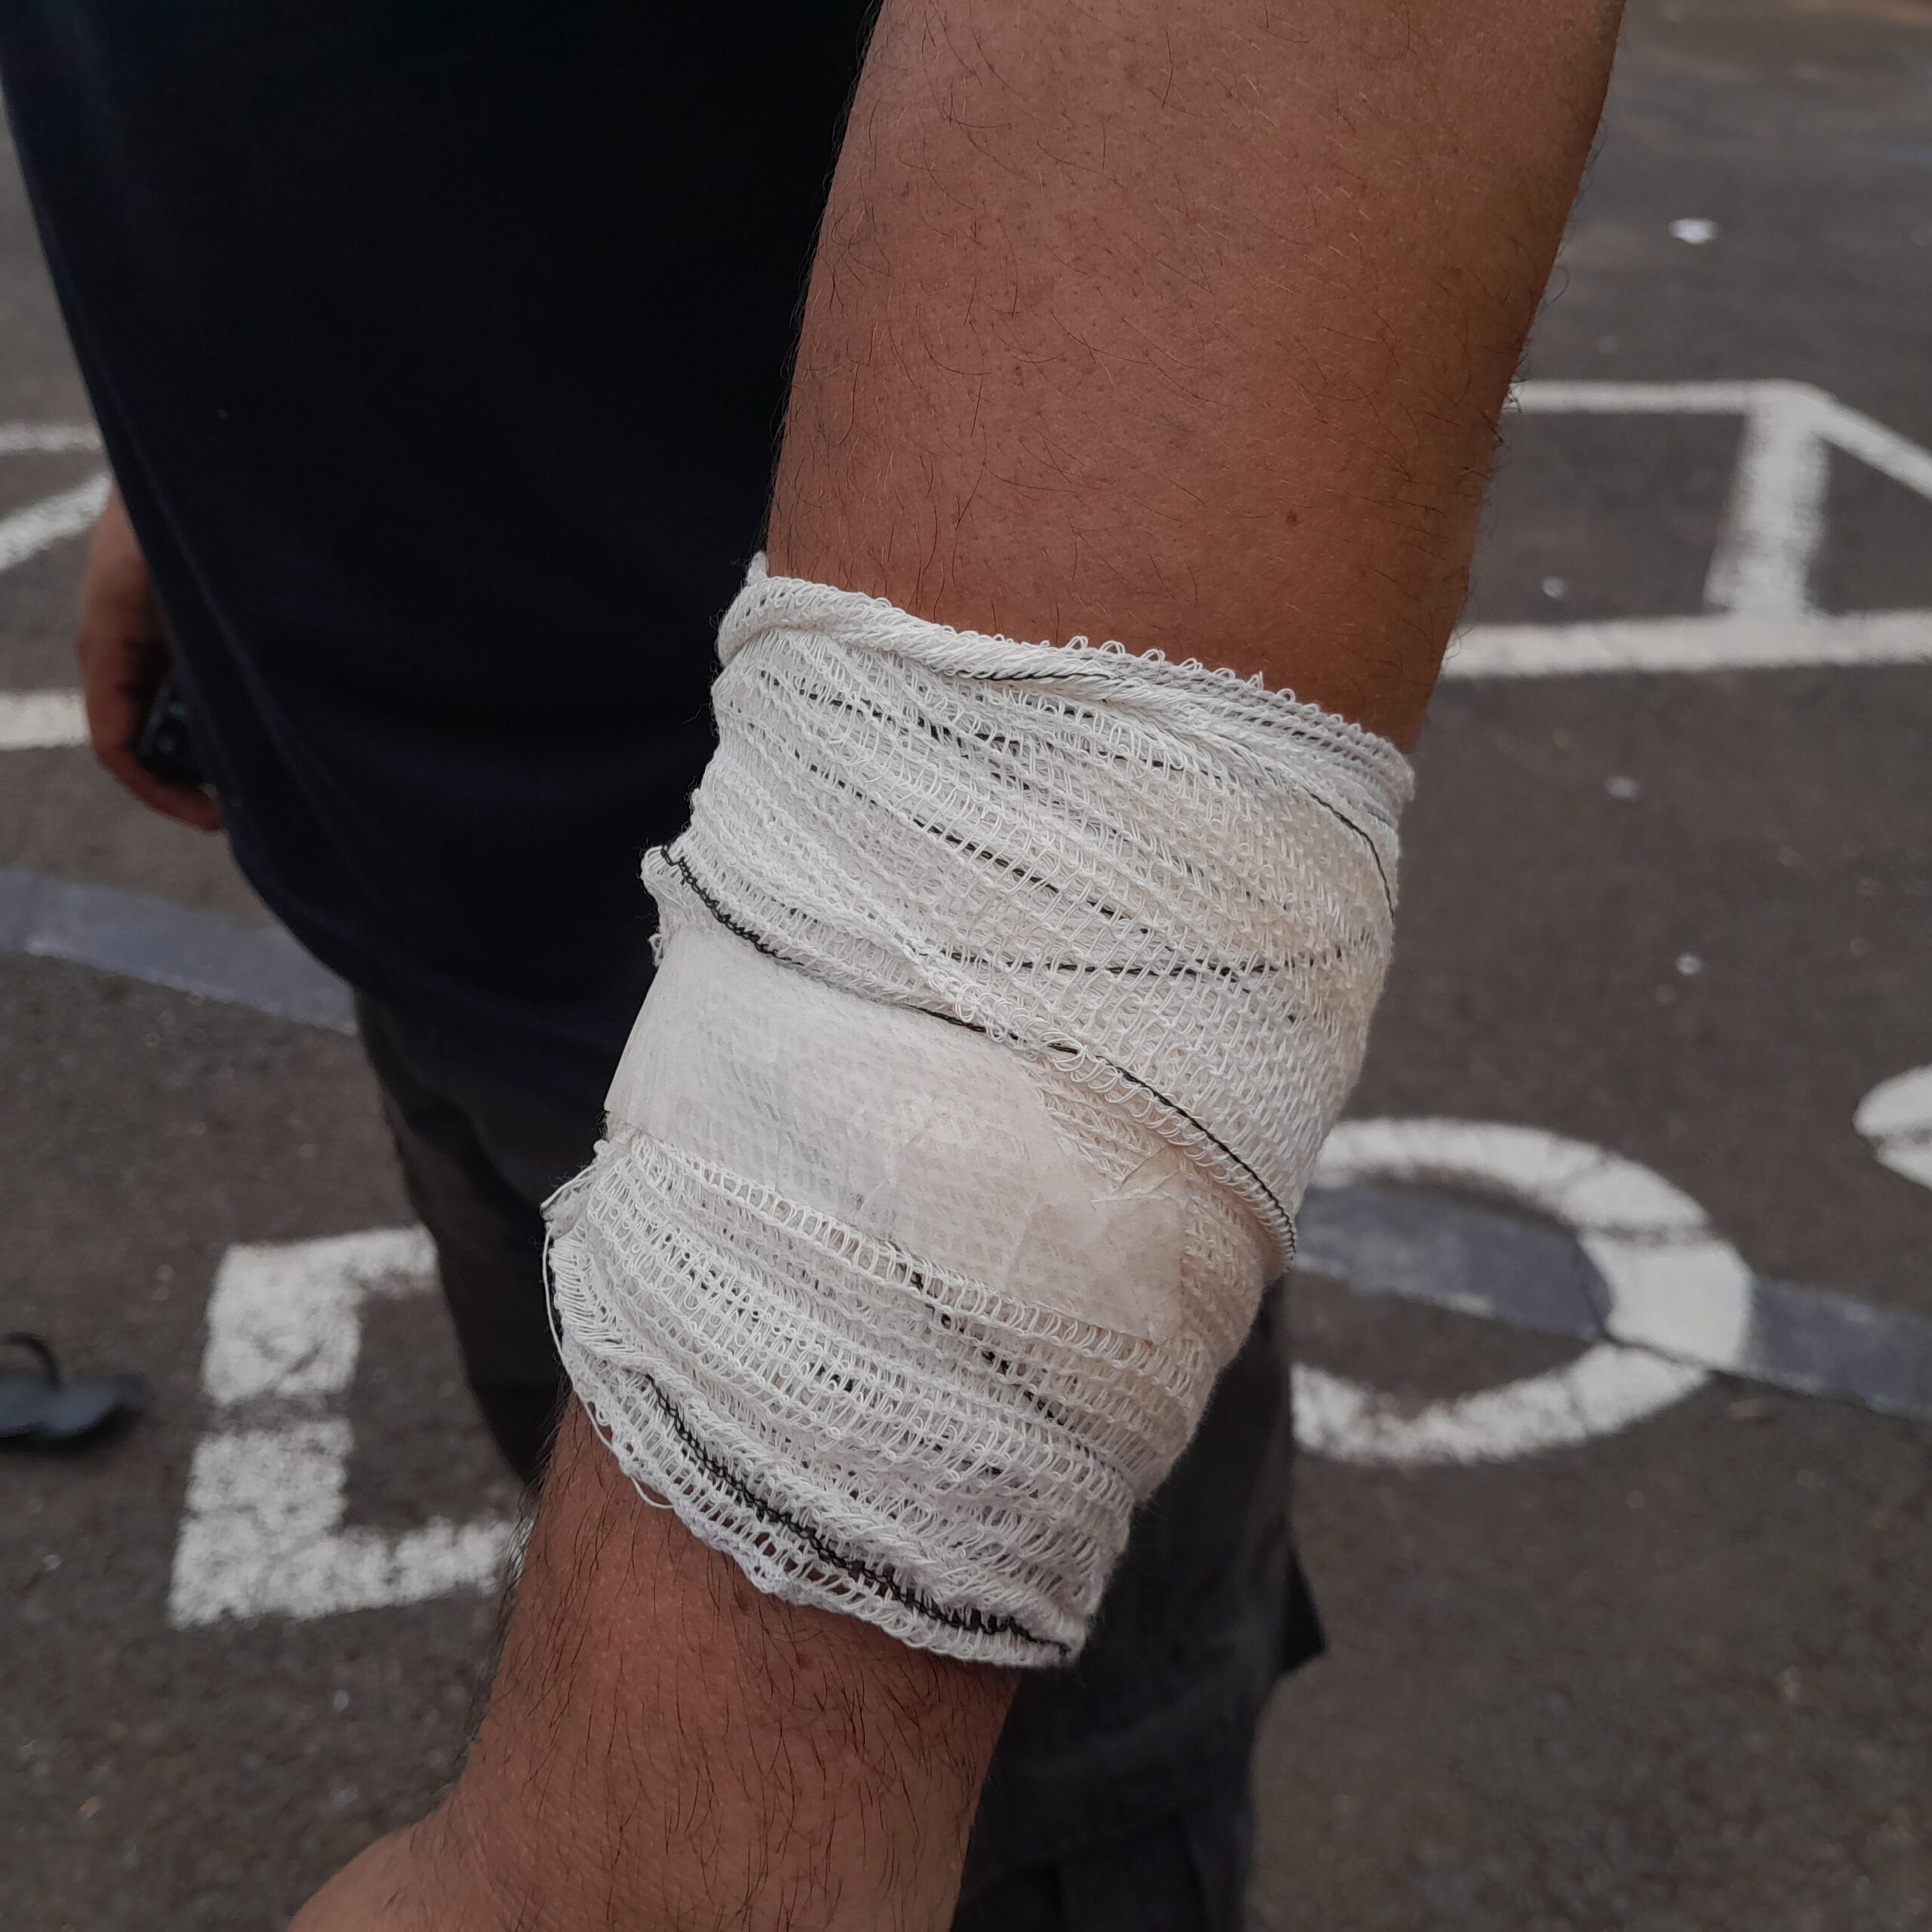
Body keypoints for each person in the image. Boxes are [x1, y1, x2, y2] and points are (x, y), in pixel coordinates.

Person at [3, 2, 1628, 1924]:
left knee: (1015, 1836)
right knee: (566, 1448)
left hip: (817, 1003)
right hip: (394, 833)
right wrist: (191, 446)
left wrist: (664, 1831)